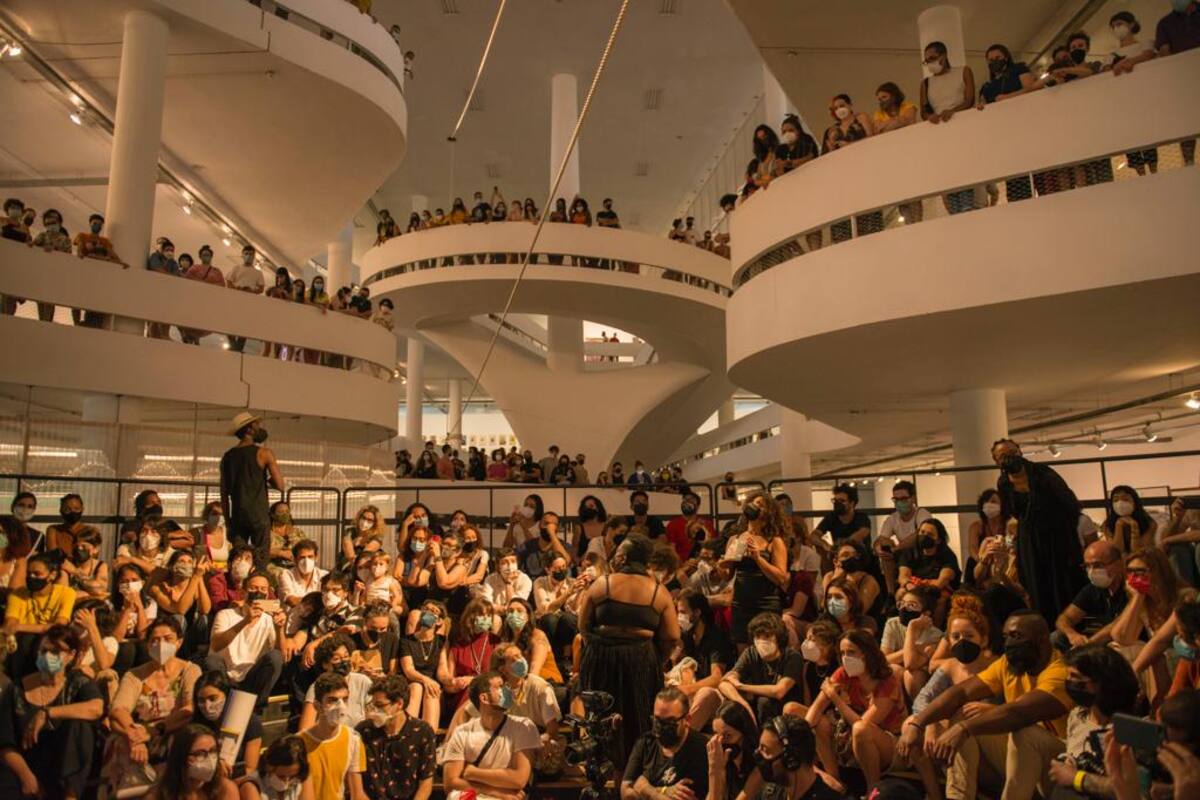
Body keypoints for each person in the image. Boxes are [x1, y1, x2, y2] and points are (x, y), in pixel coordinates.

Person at [897, 610, 1072, 800]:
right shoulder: (1008, 664)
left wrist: (964, 729)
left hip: (1060, 764)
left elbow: (1020, 714)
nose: (1009, 643)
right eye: (1006, 637)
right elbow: (962, 692)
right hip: (1018, 757)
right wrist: (917, 724)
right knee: (962, 716)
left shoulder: (1060, 672)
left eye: (1016, 636)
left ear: (1042, 639)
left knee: (1025, 732)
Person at [578, 535, 680, 763]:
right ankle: (634, 768)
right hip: (640, 659)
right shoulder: (659, 591)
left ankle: (603, 766)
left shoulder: (602, 583)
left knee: (602, 717)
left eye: (617, 552)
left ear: (622, 557)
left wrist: (596, 650)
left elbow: (583, 626)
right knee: (638, 718)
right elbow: (672, 636)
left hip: (603, 657)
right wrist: (657, 659)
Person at [0, 625, 104, 800]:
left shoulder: (77, 683)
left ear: (71, 655)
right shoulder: (16, 689)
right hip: (24, 766)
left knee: (80, 724)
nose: (47, 656)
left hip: (60, 767)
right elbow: (5, 743)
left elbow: (96, 708)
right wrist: (27, 777)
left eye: (55, 651)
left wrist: (47, 713)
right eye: (43, 650)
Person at [993, 438, 1085, 625]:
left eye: (1012, 452)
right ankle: (1044, 628)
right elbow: (1013, 511)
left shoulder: (1042, 473)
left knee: (1062, 582)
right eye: (1003, 456)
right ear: (997, 462)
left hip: (1056, 536)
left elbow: (1069, 503)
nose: (1009, 457)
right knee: (1036, 584)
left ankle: (1068, 625)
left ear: (1020, 451)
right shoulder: (1003, 483)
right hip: (1029, 539)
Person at [105, 617, 202, 792]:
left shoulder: (190, 671)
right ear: (148, 645)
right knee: (120, 741)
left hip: (170, 730)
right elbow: (119, 710)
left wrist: (153, 731)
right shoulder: (134, 675)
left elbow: (189, 709)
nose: (161, 644)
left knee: (179, 743)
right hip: (136, 733)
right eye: (155, 640)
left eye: (168, 639)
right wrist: (135, 738)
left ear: (179, 642)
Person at [1046, 644, 1140, 799]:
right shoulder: (1077, 715)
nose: (1069, 682)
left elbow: (1130, 790)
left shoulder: (1127, 732)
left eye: (1075, 677)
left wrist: (1076, 778)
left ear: (1102, 683)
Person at [441, 671, 540, 799]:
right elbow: (450, 783)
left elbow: (519, 779)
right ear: (484, 698)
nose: (508, 691)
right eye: (500, 687)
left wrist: (473, 772)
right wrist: (494, 791)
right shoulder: (462, 732)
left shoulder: (523, 726)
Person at [707, 713, 850, 800]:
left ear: (791, 760)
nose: (758, 755)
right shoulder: (771, 792)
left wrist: (714, 774)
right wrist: (715, 773)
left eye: (765, 750)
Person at [207, 570, 286, 708]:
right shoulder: (225, 615)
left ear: (268, 595)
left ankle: (254, 708)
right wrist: (245, 621)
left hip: (252, 679)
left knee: (275, 657)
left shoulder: (269, 620)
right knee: (211, 661)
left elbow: (282, 656)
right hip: (226, 677)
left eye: (263, 589)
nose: (258, 592)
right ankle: (223, 705)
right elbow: (216, 645)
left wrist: (280, 629)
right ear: (243, 593)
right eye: (254, 588)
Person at [722, 493, 790, 647]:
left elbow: (780, 578)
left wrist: (758, 559)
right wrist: (721, 567)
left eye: (759, 504)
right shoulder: (735, 539)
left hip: (766, 604)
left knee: (767, 648)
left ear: (768, 512)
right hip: (741, 604)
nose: (754, 506)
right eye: (752, 502)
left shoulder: (774, 541)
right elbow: (727, 576)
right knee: (743, 649)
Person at [356, 675, 436, 800]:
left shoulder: (422, 732)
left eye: (380, 705)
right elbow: (356, 787)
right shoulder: (363, 731)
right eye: (373, 705)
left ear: (399, 703)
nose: (374, 711)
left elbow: (426, 783)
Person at [221, 412, 285, 568]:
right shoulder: (264, 453)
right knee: (261, 558)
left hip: (238, 515)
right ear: (249, 429)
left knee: (239, 559)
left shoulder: (227, 457)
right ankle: (259, 580)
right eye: (256, 425)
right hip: (259, 515)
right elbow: (280, 485)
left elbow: (224, 493)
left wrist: (228, 521)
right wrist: (266, 480)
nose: (259, 428)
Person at [621, 687, 709, 800]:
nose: (661, 727)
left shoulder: (702, 750)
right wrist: (661, 791)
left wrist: (644, 787)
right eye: (657, 720)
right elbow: (626, 793)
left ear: (687, 720)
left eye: (670, 722)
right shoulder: (646, 742)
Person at [719, 611, 802, 724]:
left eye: (767, 636)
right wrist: (743, 703)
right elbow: (724, 683)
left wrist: (741, 686)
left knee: (764, 702)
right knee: (732, 702)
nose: (762, 641)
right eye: (758, 637)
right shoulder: (751, 653)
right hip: (757, 706)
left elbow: (779, 691)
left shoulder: (792, 657)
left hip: (785, 711)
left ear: (779, 638)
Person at [299, 672, 368, 800]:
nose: (341, 706)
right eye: (332, 700)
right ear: (317, 706)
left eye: (345, 699)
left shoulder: (353, 740)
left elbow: (357, 793)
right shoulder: (299, 744)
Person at [4, 553, 76, 677]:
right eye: (29, 573)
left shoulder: (66, 593)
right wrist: (41, 627)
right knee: (25, 640)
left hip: (51, 641)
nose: (31, 577)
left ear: (52, 575)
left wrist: (20, 626)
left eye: (37, 574)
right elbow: (10, 625)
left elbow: (59, 626)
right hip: (21, 644)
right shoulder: (17, 594)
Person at [1053, 539, 1128, 651]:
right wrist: (1072, 634)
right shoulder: (1093, 589)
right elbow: (1065, 618)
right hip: (1092, 640)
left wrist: (1087, 645)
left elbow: (1117, 625)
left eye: (1097, 565)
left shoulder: (1130, 589)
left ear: (1118, 564)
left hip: (1120, 640)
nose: (1091, 571)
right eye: (1087, 566)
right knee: (1056, 637)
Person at [192, 670, 264, 774]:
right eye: (201, 700)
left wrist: (224, 773)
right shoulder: (195, 724)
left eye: (212, 698)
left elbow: (250, 769)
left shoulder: (250, 722)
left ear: (226, 694)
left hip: (237, 777)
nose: (207, 705)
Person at [147, 723, 239, 800]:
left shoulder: (225, 789)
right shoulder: (158, 795)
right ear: (181, 756)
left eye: (213, 751)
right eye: (200, 753)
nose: (209, 759)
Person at [881, 585, 943, 697]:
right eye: (902, 603)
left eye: (911, 605)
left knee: (912, 676)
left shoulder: (935, 635)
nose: (904, 608)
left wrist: (911, 627)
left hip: (921, 676)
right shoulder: (893, 624)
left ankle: (919, 707)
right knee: (893, 670)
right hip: (898, 669)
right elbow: (883, 660)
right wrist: (917, 648)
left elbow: (910, 664)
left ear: (926, 613)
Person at [876, 480, 933, 597]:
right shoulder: (893, 518)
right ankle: (891, 594)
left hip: (923, 555)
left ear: (913, 498)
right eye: (896, 499)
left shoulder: (922, 514)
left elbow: (919, 534)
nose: (899, 503)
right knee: (886, 553)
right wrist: (879, 548)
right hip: (904, 556)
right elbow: (882, 538)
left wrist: (896, 548)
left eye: (903, 499)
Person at [240, 735, 316, 800]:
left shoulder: (299, 778)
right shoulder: (251, 786)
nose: (287, 782)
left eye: (292, 777)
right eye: (281, 776)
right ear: (269, 766)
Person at [811, 484, 871, 560]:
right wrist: (824, 544)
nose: (837, 503)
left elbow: (862, 533)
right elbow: (813, 536)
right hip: (839, 557)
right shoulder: (831, 517)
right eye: (835, 500)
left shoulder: (861, 517)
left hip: (860, 559)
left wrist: (842, 545)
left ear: (852, 503)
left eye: (842, 501)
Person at [226, 245, 265, 351]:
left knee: (245, 325)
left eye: (251, 254)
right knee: (230, 323)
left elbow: (261, 288)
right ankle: (233, 346)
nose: (248, 256)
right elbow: (228, 281)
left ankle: (238, 348)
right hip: (235, 301)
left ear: (254, 256)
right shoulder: (236, 268)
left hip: (249, 303)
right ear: (242, 255)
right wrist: (236, 289)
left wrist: (251, 291)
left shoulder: (258, 273)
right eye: (246, 254)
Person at [1101, 485, 1157, 554]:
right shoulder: (1108, 524)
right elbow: (1117, 551)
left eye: (1125, 499)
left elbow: (1139, 551)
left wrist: (1134, 526)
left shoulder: (1149, 523)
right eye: (1115, 500)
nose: (1120, 503)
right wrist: (1118, 525)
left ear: (1135, 502)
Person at [666, 490, 716, 564]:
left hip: (704, 563)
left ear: (698, 506)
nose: (687, 502)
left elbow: (712, 547)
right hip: (682, 565)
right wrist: (682, 565)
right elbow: (672, 550)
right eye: (685, 500)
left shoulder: (707, 524)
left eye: (691, 500)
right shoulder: (672, 525)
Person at [280, 540, 327, 607]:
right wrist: (319, 601)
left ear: (316, 558)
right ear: (295, 560)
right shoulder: (287, 574)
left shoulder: (324, 575)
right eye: (302, 557)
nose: (306, 561)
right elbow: (291, 601)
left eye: (310, 557)